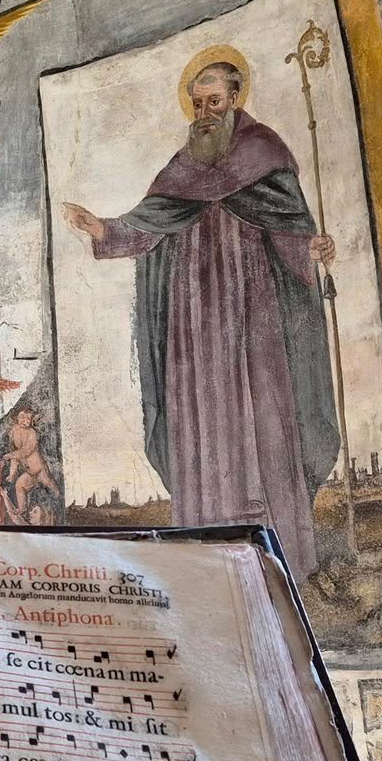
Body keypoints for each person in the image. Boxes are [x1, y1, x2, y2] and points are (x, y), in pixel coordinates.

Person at [60, 50, 339, 573]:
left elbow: (288, 228)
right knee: (199, 417)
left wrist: (309, 248)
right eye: (198, 104)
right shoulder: (182, 168)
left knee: (262, 413)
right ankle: (207, 554)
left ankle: (279, 553)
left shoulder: (264, 153)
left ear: (236, 98)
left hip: (254, 312)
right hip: (192, 321)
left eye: (214, 101)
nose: (205, 112)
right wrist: (104, 229)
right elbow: (149, 225)